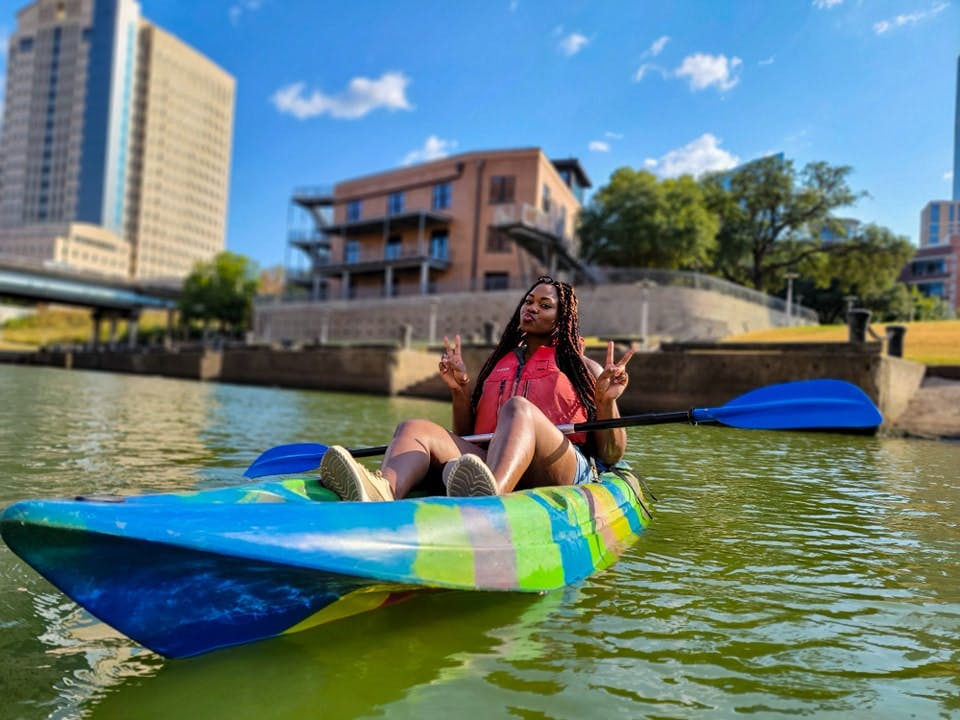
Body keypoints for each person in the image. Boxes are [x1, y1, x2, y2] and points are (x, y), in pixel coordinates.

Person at [319, 275, 634, 501]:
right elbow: (468, 434)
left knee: (517, 408)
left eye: (544, 304)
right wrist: (460, 392)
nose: (532, 308)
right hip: (491, 461)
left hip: (562, 466)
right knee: (414, 426)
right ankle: (382, 490)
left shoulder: (585, 369)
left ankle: (489, 496)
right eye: (528, 301)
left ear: (562, 317)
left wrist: (606, 403)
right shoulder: (499, 365)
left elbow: (612, 454)